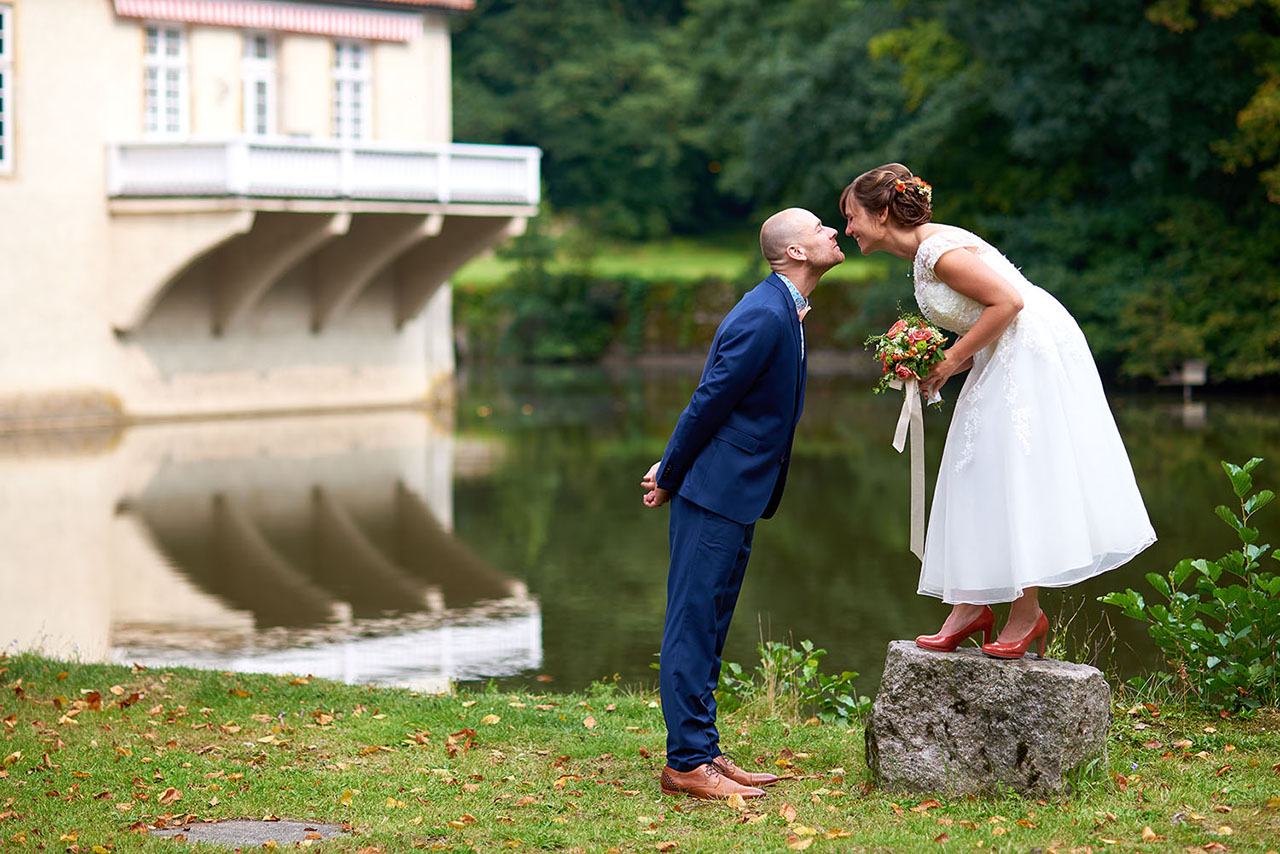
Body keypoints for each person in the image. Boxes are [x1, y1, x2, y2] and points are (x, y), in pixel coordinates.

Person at [839, 163, 1156, 659]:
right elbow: (989, 316)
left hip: (1030, 351)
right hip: (1008, 351)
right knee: (977, 470)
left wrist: (949, 358)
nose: (847, 228)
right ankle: (971, 604)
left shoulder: (934, 251)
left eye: (851, 216)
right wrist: (936, 364)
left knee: (1008, 469)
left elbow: (1008, 302)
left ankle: (1025, 613)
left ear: (881, 213)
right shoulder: (926, 251)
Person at [640, 208, 844, 800]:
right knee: (692, 623)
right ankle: (685, 764)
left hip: (737, 491)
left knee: (714, 621)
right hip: (713, 491)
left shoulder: (783, 309)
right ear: (798, 254)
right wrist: (671, 472)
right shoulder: (763, 314)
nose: (833, 231)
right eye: (819, 230)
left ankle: (703, 749)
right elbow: (708, 401)